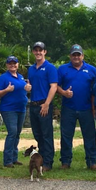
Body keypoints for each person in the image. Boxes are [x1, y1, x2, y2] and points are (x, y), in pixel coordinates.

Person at [57, 44, 96, 170]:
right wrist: (64, 92)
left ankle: (92, 162)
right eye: (74, 55)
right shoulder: (62, 69)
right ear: (70, 56)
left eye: (78, 54)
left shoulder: (91, 69)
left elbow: (95, 90)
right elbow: (55, 86)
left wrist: (94, 108)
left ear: (82, 56)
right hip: (68, 107)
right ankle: (65, 161)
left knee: (90, 135)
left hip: (86, 108)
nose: (76, 57)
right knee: (66, 136)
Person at [0, 56, 32, 168]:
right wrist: (6, 90)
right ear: (7, 65)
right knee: (12, 132)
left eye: (14, 63)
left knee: (17, 133)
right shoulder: (3, 78)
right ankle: (7, 160)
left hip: (21, 108)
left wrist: (28, 88)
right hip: (9, 109)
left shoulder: (21, 77)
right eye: (10, 63)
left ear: (17, 64)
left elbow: (23, 90)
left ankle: (14, 158)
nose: (12, 65)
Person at [28, 41, 58, 171]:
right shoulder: (31, 69)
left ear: (45, 52)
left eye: (41, 50)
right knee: (38, 134)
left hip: (43, 105)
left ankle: (48, 162)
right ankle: (41, 159)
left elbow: (54, 87)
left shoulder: (50, 67)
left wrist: (46, 104)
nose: (38, 52)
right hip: (33, 105)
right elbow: (32, 85)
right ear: (33, 52)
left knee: (46, 134)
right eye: (36, 50)